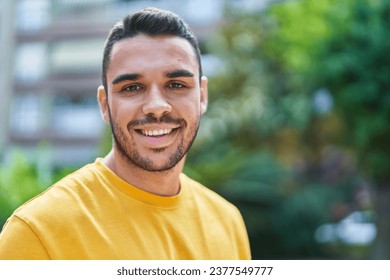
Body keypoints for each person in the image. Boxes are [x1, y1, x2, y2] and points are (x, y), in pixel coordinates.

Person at [0, 7, 251, 260]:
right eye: (132, 87)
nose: (156, 106)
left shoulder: (227, 222)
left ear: (202, 95)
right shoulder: (36, 233)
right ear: (104, 105)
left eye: (176, 85)